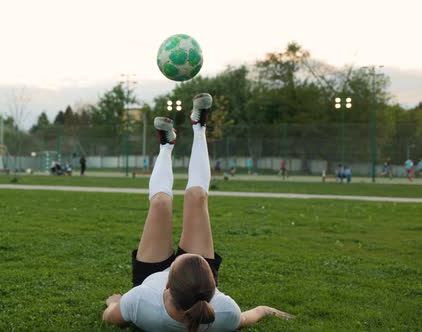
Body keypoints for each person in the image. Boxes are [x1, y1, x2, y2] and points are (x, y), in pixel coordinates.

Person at [102, 93, 294, 331]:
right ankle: (199, 127)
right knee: (197, 197)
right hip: (188, 284)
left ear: (166, 285)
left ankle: (166, 146)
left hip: (151, 281)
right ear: (212, 286)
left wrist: (115, 300)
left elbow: (110, 315)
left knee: (160, 203)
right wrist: (266, 309)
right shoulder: (223, 311)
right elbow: (246, 317)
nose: (181, 254)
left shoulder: (142, 301)